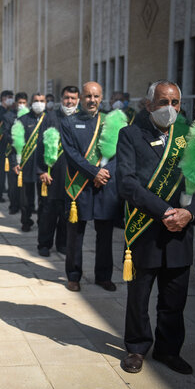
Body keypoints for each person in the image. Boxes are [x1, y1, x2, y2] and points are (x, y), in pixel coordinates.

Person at [117, 80, 195, 375]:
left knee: (174, 298)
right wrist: (165, 210)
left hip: (181, 230)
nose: (169, 109)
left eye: (175, 103)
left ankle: (169, 350)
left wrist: (190, 213)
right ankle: (137, 348)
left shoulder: (190, 136)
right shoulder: (130, 134)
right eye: (163, 102)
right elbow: (127, 182)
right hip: (146, 228)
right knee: (139, 297)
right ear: (149, 105)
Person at [60, 81, 120, 292]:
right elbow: (72, 155)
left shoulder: (111, 121)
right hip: (80, 185)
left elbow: (119, 152)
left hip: (105, 185)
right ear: (80, 98)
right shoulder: (69, 123)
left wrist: (105, 172)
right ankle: (74, 275)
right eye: (88, 96)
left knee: (105, 235)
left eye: (96, 96)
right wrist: (94, 172)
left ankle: (103, 276)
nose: (92, 100)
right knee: (75, 235)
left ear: (101, 98)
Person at [35, 86, 78, 256]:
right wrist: (41, 171)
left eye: (73, 98)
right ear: (62, 98)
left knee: (67, 211)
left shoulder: (80, 118)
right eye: (67, 98)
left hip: (72, 175)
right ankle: (44, 244)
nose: (70, 101)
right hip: (51, 174)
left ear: (78, 100)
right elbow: (40, 146)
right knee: (48, 212)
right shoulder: (50, 118)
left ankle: (62, 243)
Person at [12, 93, 47, 232]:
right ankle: (26, 221)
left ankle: (42, 221)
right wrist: (15, 162)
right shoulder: (22, 120)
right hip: (26, 164)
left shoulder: (50, 119)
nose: (39, 103)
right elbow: (15, 144)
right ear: (30, 103)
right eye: (36, 101)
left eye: (42, 101)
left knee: (43, 198)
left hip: (44, 166)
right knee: (26, 198)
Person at [0, 90, 14, 203]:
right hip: (0, 146)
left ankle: (10, 194)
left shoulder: (11, 111)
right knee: (1, 172)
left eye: (12, 97)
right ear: (3, 98)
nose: (11, 99)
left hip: (10, 146)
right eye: (9, 97)